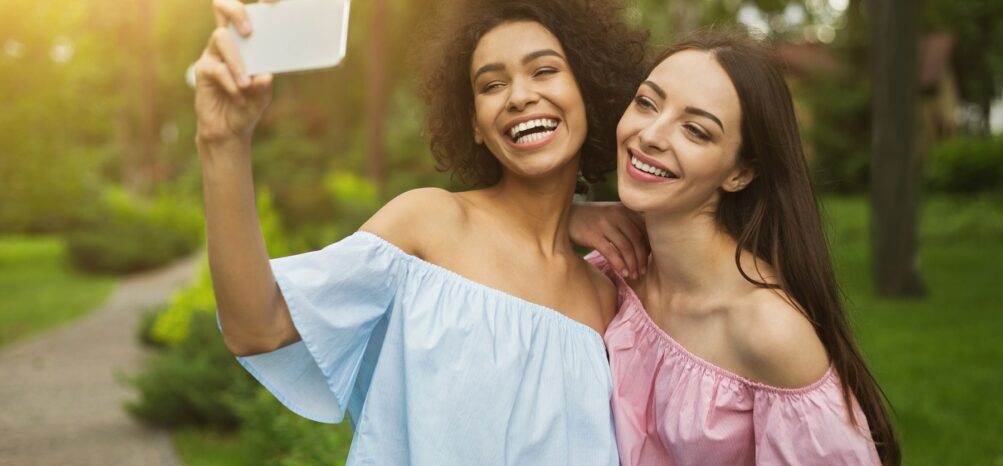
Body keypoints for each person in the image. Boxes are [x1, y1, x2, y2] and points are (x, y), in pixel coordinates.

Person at [192, 0, 646, 464]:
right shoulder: (429, 225)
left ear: (587, 90)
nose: (519, 96)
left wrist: (575, 213)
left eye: (545, 71)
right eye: (492, 84)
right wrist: (222, 142)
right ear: (474, 123)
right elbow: (257, 328)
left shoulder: (608, 298)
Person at [585, 30, 900, 465]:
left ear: (740, 173)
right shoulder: (609, 268)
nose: (652, 134)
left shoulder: (768, 331)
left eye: (695, 130)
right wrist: (562, 218)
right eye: (646, 102)